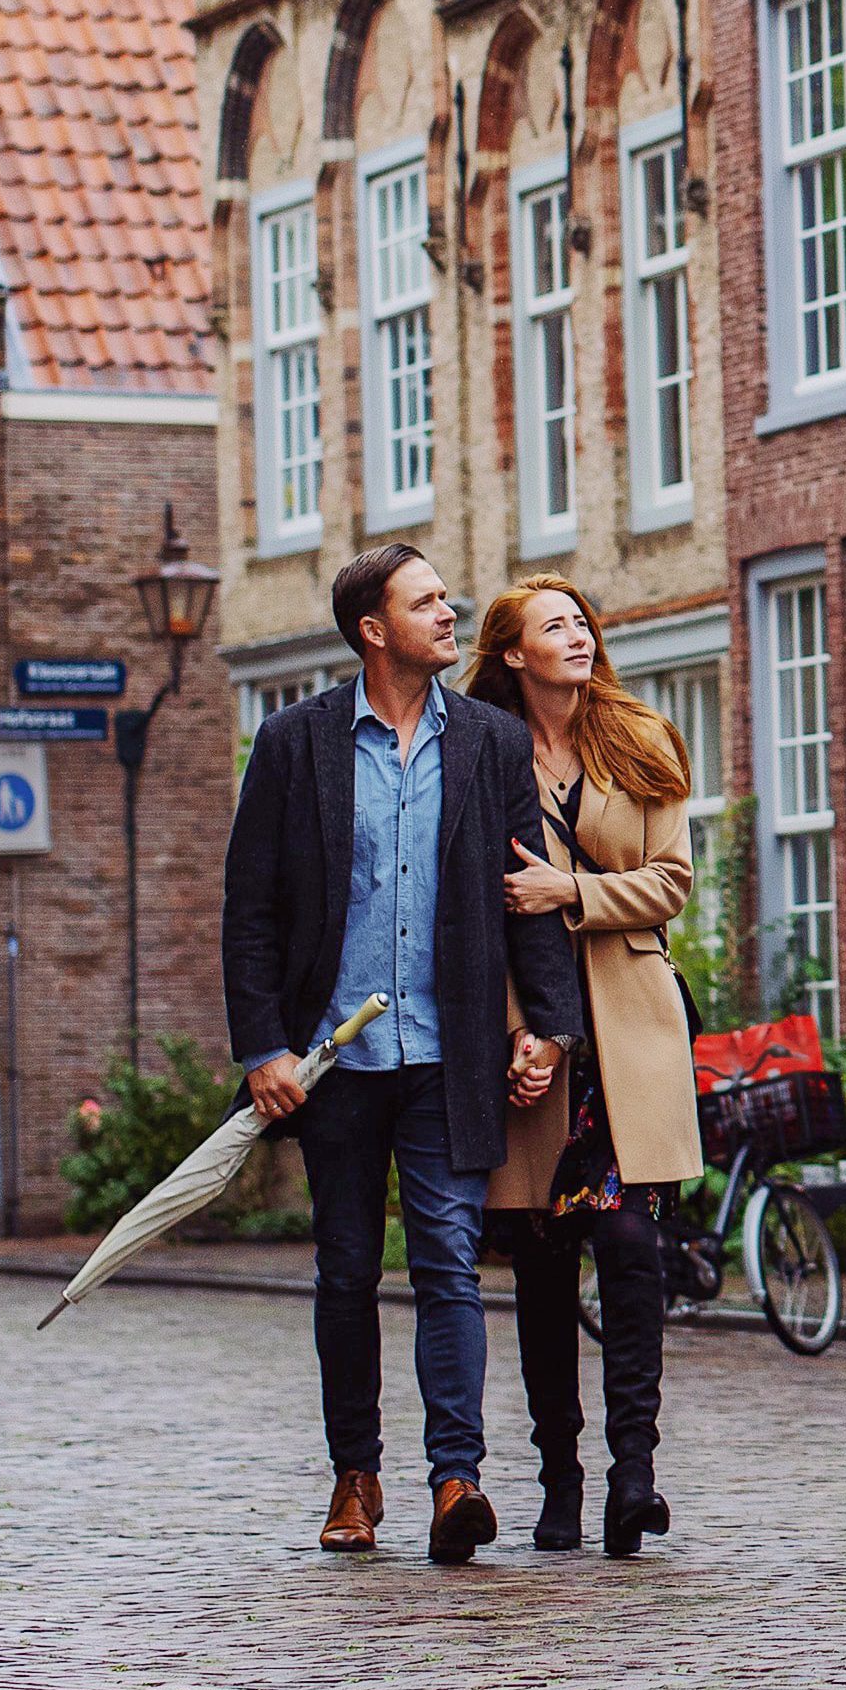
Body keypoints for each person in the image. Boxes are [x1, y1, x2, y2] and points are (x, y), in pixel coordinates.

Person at [220, 544, 592, 1567]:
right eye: (427, 602)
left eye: (445, 598)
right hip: (332, 1063)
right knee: (345, 1272)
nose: (448, 611)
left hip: (447, 1053)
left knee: (448, 1267)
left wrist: (548, 1030)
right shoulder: (293, 746)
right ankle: (355, 1477)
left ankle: (455, 1481)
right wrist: (263, 1047)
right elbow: (249, 913)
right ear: (373, 631)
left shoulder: (487, 742)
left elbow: (526, 900)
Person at [475, 575, 707, 1559]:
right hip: (535, 1041)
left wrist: (568, 888)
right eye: (552, 627)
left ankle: (634, 1478)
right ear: (515, 653)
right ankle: (560, 1481)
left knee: (629, 1252)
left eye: (581, 622)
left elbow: (671, 884)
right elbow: (474, 908)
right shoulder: (480, 753)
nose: (575, 637)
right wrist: (514, 1038)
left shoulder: (641, 740)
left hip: (630, 1038)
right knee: (540, 1272)